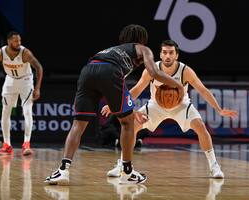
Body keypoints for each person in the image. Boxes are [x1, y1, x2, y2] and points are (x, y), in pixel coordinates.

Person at [44, 25, 184, 185]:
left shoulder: (110, 49)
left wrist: (125, 108)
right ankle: (127, 172)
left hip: (87, 71)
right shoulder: (143, 49)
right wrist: (178, 85)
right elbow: (154, 73)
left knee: (78, 125)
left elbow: (102, 76)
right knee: (127, 123)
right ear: (142, 39)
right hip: (111, 71)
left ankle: (63, 169)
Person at [102, 40, 238, 178]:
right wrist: (116, 103)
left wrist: (219, 109)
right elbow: (137, 89)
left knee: (201, 127)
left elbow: (202, 90)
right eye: (165, 52)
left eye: (171, 53)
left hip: (181, 105)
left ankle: (214, 166)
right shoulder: (151, 69)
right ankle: (123, 165)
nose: (168, 56)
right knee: (132, 125)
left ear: (176, 55)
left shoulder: (185, 71)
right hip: (156, 106)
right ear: (160, 55)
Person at [0, 31, 43, 156]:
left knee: (27, 110)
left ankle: (26, 143)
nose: (18, 43)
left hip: (26, 80)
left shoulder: (25, 53)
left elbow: (39, 67)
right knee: (5, 111)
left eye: (20, 41)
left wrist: (37, 88)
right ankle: (7, 144)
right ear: (8, 41)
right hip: (10, 80)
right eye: (15, 41)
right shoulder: (1, 53)